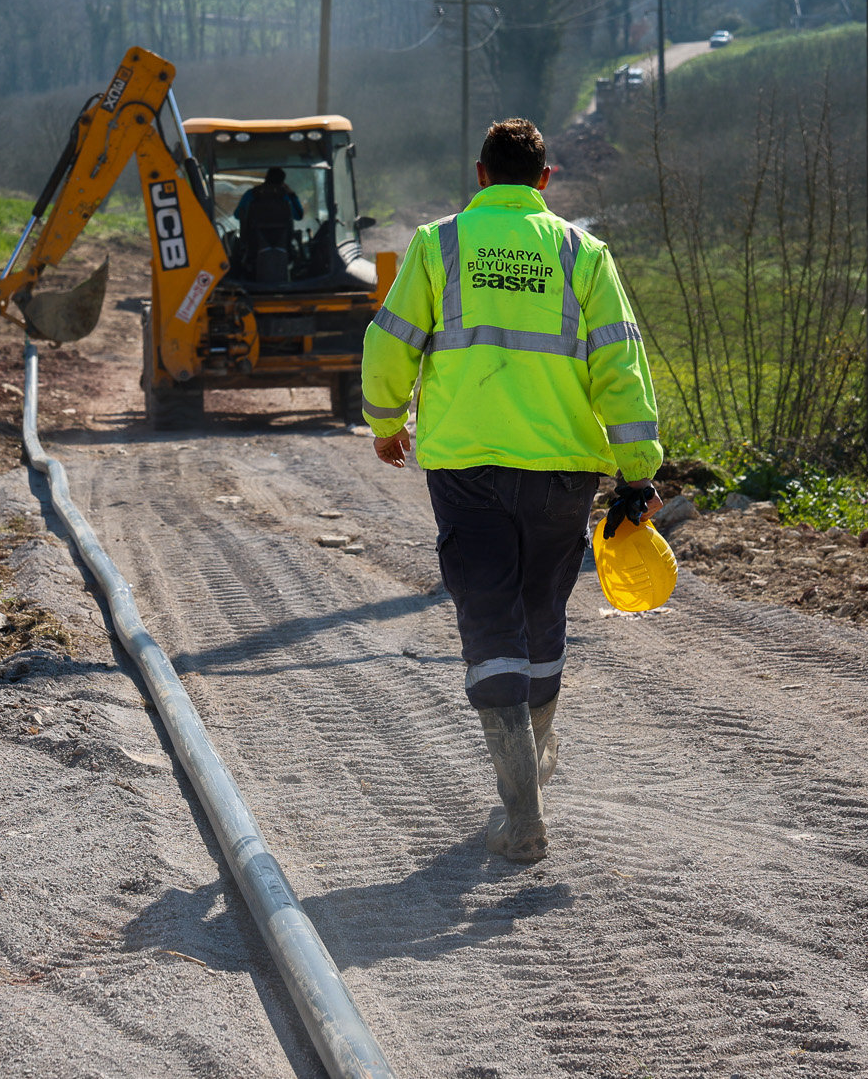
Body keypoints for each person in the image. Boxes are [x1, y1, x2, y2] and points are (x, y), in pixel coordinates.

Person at [359, 118, 663, 863]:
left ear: (480, 174)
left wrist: (384, 420)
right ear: (546, 179)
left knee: (490, 618)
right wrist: (638, 468)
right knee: (540, 612)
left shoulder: (440, 244)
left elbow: (390, 339)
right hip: (563, 469)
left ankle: (521, 805)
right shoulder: (581, 252)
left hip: (468, 466)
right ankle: (533, 757)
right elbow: (620, 363)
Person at [234, 166, 304, 253]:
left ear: (266, 178)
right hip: (282, 245)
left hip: (254, 246)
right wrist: (292, 194)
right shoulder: (286, 197)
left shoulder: (251, 194)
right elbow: (299, 216)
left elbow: (237, 215)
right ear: (282, 182)